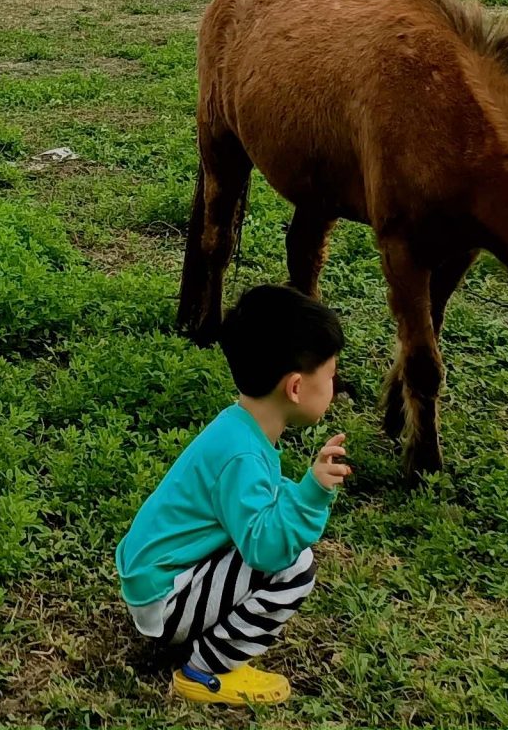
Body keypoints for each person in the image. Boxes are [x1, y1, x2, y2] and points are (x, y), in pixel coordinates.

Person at [115, 284, 349, 707]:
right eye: (331, 376)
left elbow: (257, 509)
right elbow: (266, 549)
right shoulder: (242, 454)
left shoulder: (238, 426)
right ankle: (206, 670)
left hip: (157, 580)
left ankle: (199, 636)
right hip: (162, 598)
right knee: (296, 567)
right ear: (296, 388)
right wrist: (312, 493)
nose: (335, 385)